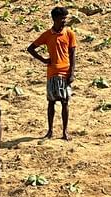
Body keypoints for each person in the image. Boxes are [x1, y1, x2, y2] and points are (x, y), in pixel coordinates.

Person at [27, 6, 77, 140]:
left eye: (65, 18)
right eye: (62, 18)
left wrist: (72, 72)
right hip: (52, 72)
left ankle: (65, 131)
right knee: (51, 102)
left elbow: (72, 54)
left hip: (65, 71)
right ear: (55, 19)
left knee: (65, 102)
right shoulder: (47, 35)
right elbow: (31, 48)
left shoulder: (69, 33)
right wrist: (43, 60)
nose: (64, 21)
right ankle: (50, 131)